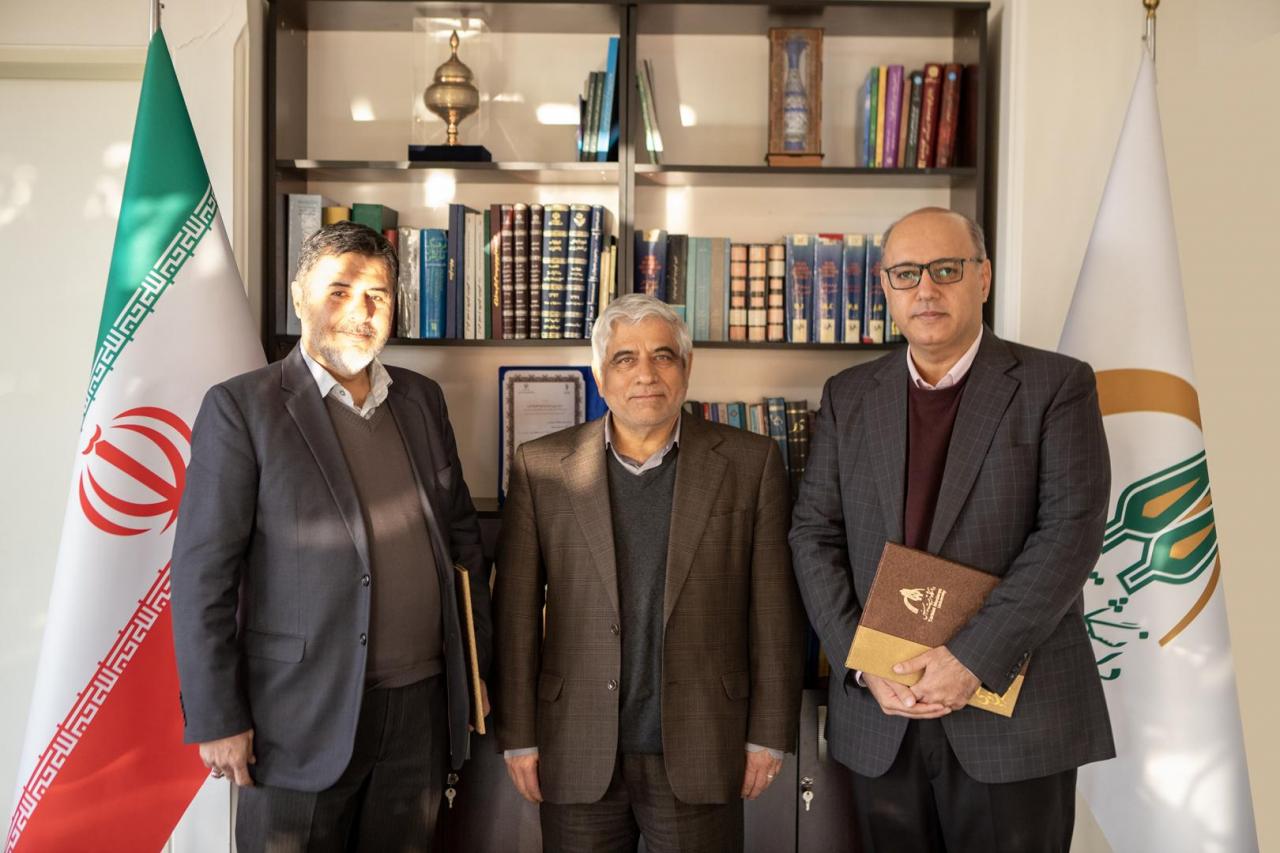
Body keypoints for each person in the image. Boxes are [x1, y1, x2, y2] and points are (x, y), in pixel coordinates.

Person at [790, 207, 1114, 852]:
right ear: (885, 287)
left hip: (1012, 713)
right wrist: (863, 664)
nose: (926, 290)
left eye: (946, 269)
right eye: (906, 274)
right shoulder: (848, 395)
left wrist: (971, 659)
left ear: (982, 277)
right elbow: (813, 534)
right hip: (883, 713)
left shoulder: (1056, 385)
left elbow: (1069, 533)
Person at [171, 220, 491, 851]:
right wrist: (217, 715)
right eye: (339, 291)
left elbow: (461, 543)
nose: (359, 311)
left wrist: (474, 668)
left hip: (419, 712)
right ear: (300, 297)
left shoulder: (422, 401)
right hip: (296, 717)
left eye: (377, 295)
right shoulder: (243, 408)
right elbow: (204, 574)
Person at [492, 293, 804, 853]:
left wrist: (769, 733)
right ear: (599, 374)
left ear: (686, 367)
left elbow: (774, 609)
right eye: (625, 358)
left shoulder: (751, 462)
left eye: (663, 356)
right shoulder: (541, 466)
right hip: (576, 745)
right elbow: (515, 613)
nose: (646, 374)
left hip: (703, 741)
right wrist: (518, 735)